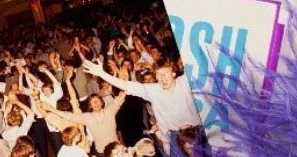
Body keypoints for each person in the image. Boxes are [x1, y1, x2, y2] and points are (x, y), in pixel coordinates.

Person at [81, 61, 211, 157]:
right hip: (173, 135)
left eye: (165, 73)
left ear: (173, 73)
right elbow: (125, 85)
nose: (162, 78)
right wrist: (101, 73)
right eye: (158, 74)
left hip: (197, 131)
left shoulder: (185, 82)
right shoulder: (153, 90)